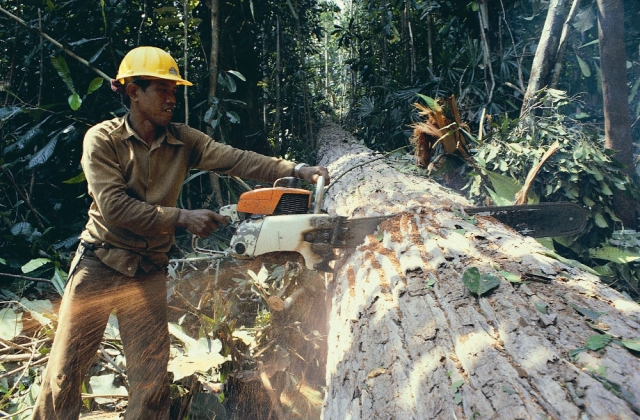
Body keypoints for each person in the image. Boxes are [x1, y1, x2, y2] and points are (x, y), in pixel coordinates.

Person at [30, 46, 329, 420]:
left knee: (152, 382)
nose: (172, 99)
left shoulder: (184, 139)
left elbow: (235, 158)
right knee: (65, 375)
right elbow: (114, 208)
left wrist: (296, 168)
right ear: (131, 92)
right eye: (161, 89)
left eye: (174, 91)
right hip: (101, 263)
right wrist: (182, 217)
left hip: (148, 271)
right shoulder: (102, 140)